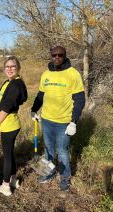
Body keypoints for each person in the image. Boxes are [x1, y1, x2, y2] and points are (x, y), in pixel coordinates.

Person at [31, 46, 85, 192]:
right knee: (48, 149)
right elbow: (41, 95)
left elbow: (80, 99)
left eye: (60, 55)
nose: (56, 57)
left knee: (62, 151)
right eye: (54, 55)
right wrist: (34, 109)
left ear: (65, 56)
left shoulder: (73, 74)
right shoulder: (46, 74)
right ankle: (48, 173)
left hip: (64, 122)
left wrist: (73, 122)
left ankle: (65, 178)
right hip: (47, 120)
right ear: (50, 56)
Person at [0, 56, 28, 196]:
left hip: (9, 124)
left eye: (13, 66)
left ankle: (5, 186)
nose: (10, 69)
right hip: (9, 123)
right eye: (7, 67)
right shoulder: (9, 82)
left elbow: (6, 106)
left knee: (6, 156)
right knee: (10, 153)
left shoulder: (16, 85)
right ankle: (13, 179)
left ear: (18, 68)